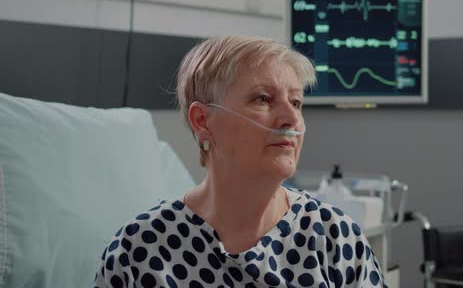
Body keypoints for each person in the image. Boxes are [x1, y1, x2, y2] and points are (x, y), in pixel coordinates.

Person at [94, 36, 387, 287]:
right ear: (203, 120)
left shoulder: (334, 238)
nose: (291, 118)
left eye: (296, 102)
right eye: (262, 99)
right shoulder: (139, 252)